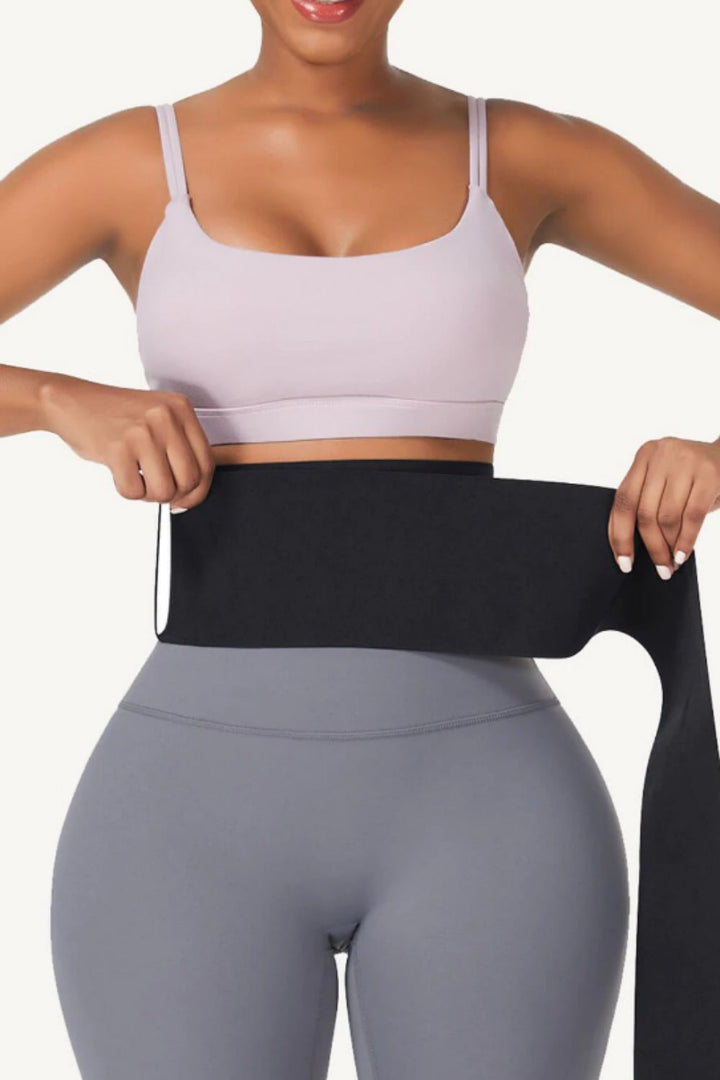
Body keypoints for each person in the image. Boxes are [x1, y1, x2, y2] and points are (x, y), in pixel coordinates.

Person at [2, 1, 719, 1078]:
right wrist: (59, 402)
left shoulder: (524, 154)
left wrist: (715, 455)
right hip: (184, 824)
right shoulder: (124, 164)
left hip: (493, 813)